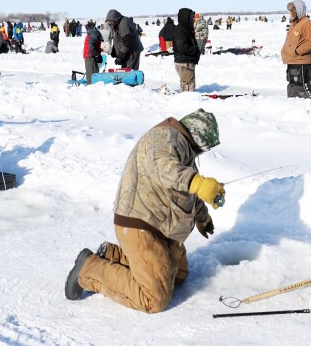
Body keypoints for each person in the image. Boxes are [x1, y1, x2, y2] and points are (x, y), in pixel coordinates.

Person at [66, 109, 224, 313]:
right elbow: (163, 168)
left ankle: (113, 255)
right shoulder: (164, 137)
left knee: (179, 274)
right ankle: (89, 268)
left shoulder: (183, 147)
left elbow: (185, 189)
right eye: (204, 147)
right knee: (154, 298)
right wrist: (198, 183)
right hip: (142, 224)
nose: (203, 152)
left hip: (163, 227)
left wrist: (202, 217)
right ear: (197, 135)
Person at [281, 0, 311, 99]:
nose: (290, 13)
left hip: (302, 61)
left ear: (298, 10)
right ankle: (293, 105)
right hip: (292, 60)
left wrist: (297, 51)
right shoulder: (295, 24)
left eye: (292, 11)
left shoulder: (307, 23)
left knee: (303, 86)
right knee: (292, 86)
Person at [173, 8, 201, 92]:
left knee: (186, 85)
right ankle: (188, 100)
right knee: (189, 89)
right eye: (192, 17)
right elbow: (182, 47)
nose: (194, 19)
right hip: (184, 63)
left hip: (186, 62)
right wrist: (195, 50)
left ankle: (184, 98)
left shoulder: (186, 28)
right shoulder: (180, 30)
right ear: (186, 18)